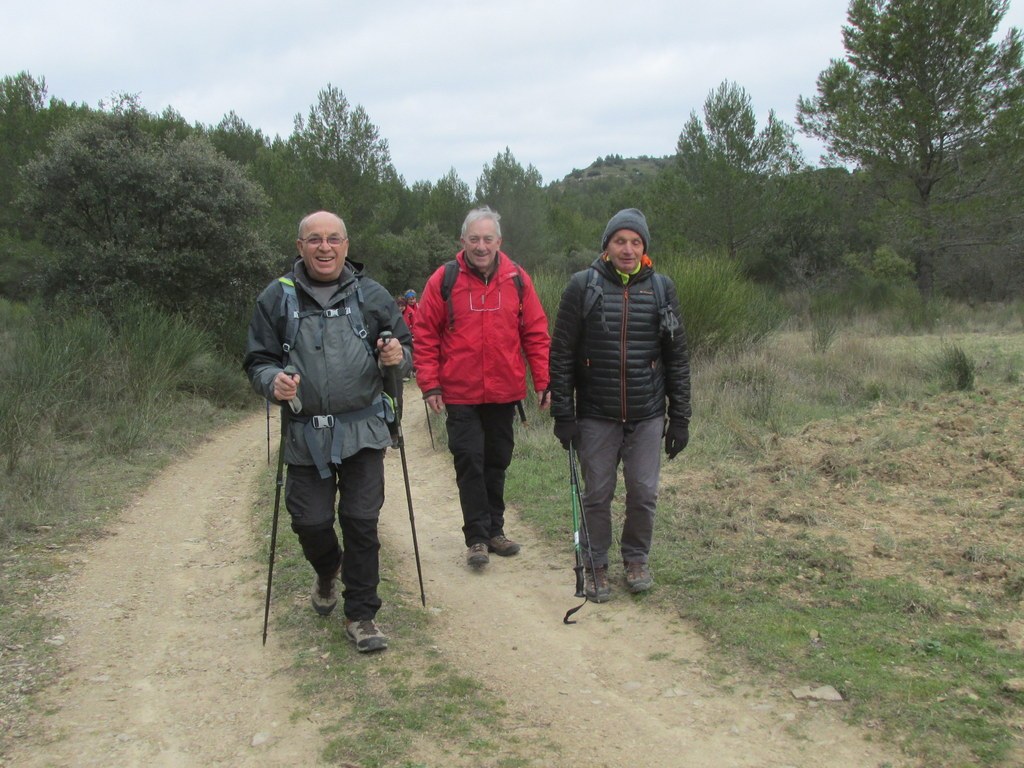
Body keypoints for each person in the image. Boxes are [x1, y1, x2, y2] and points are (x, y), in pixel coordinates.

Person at [243, 210, 412, 652]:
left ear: (346, 245)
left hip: (363, 431)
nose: (324, 247)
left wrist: (397, 356)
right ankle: (326, 570)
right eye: (314, 239)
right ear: (299, 247)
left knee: (361, 522)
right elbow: (258, 360)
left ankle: (362, 615)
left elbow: (405, 349)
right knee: (310, 522)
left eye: (333, 239)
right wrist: (271, 382)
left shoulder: (372, 296)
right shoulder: (276, 298)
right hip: (305, 435)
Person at [548, 208, 690, 601]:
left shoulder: (662, 289)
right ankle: (594, 565)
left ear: (644, 248)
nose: (627, 249)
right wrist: (564, 414)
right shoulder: (582, 286)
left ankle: (636, 559)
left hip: (646, 414)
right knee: (597, 494)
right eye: (620, 241)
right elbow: (561, 354)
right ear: (606, 246)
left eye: (635, 242)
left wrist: (679, 417)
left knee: (644, 492)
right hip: (595, 412)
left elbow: (677, 358)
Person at [413, 206, 551, 568]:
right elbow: (424, 332)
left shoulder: (517, 279)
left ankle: (495, 531)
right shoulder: (443, 280)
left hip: (504, 392)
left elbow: (535, 333)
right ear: (463, 241)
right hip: (459, 393)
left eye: (487, 239)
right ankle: (476, 538)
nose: (481, 245)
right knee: (469, 461)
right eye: (474, 238)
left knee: (496, 462)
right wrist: (430, 384)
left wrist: (544, 380)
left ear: (499, 242)